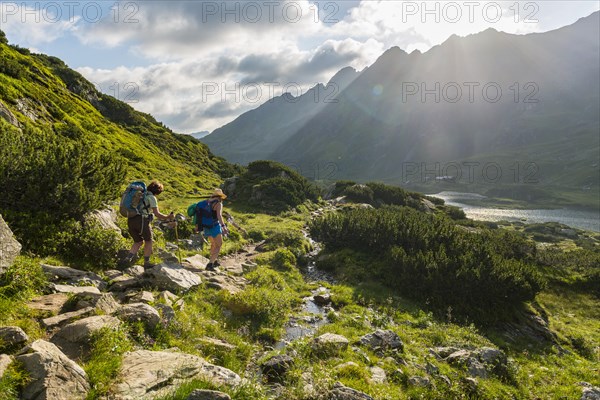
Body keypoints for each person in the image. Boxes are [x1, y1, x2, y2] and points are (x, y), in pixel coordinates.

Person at [123, 180, 174, 268]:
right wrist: (168, 217)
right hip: (142, 220)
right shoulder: (151, 198)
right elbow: (157, 214)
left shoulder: (141, 194)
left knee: (138, 241)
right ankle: (147, 263)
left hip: (131, 219)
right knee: (149, 240)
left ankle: (126, 260)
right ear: (158, 191)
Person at [197, 189, 229, 271]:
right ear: (220, 196)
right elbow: (219, 216)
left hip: (206, 226)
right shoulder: (218, 203)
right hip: (215, 226)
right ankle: (210, 264)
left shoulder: (206, 202)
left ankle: (213, 260)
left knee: (213, 244)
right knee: (219, 245)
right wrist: (223, 226)